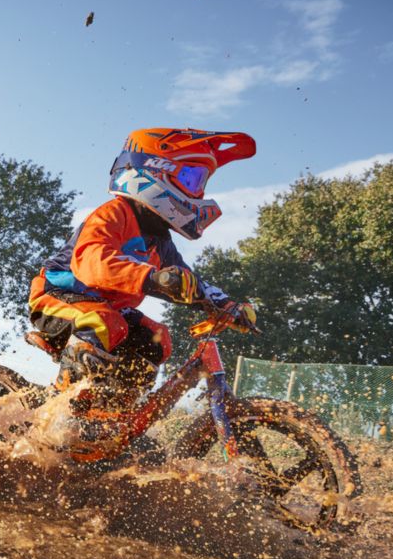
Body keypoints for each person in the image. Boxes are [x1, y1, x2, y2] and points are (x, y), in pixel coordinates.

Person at [27, 128, 257, 407]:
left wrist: (225, 305)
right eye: (191, 178)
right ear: (153, 172)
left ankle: (117, 414)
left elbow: (188, 280)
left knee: (157, 339)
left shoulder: (161, 243)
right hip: (58, 297)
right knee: (102, 322)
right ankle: (60, 409)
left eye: (200, 182)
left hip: (109, 310)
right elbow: (92, 260)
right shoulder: (115, 214)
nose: (198, 191)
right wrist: (151, 277)